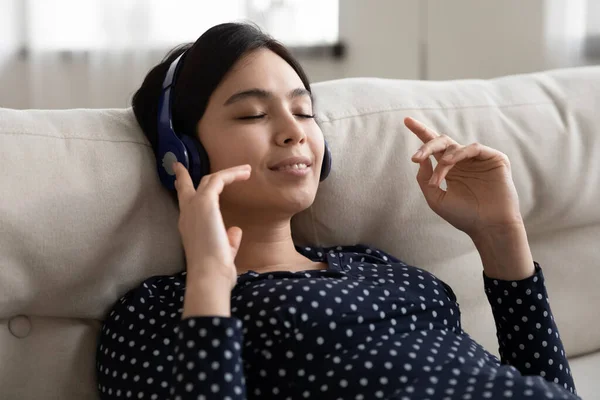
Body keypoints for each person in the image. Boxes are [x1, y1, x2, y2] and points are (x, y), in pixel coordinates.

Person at [96, 22, 580, 400]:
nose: (294, 131)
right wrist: (207, 281)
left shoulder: (373, 263)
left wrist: (501, 235)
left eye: (304, 111)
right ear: (182, 153)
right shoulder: (156, 310)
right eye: (252, 114)